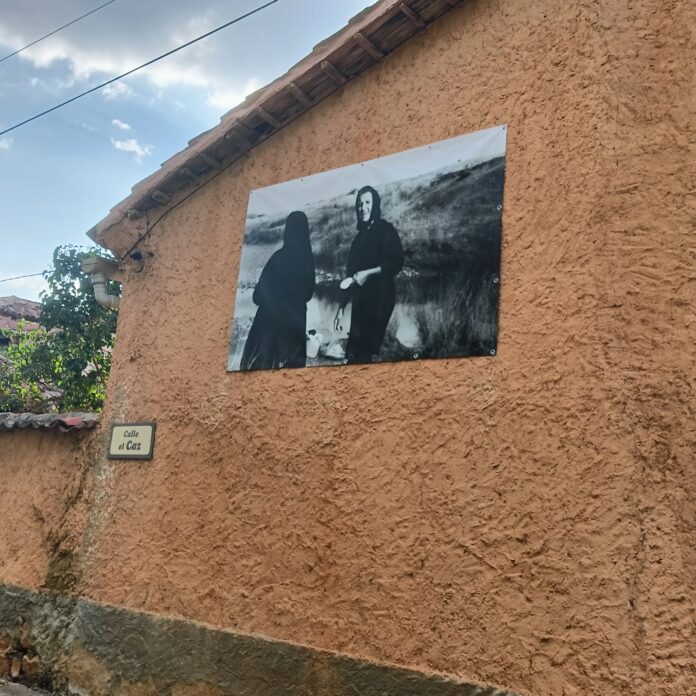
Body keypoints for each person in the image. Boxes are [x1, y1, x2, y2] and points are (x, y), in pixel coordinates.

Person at [334, 185, 403, 363]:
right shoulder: (358, 239)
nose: (362, 208)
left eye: (367, 202)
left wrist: (368, 273)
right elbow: (350, 276)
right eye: (359, 204)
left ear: (375, 204)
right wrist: (341, 308)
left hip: (380, 298)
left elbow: (396, 262)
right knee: (354, 352)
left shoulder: (385, 230)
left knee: (366, 350)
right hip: (361, 301)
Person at [241, 211, 315, 370]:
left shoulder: (277, 258)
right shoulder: (308, 260)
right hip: (295, 327)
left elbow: (257, 297)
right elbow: (309, 293)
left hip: (268, 327)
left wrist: (274, 298)